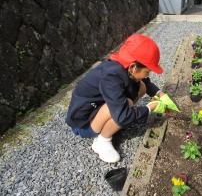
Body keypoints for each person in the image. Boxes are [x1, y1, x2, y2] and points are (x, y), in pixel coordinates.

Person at [66, 34, 178, 163]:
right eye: (147, 71)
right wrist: (150, 108)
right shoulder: (111, 77)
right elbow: (123, 115)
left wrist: (160, 94)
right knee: (124, 107)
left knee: (140, 86)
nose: (148, 74)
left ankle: (112, 124)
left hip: (96, 110)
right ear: (133, 67)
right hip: (83, 125)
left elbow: (145, 83)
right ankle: (102, 141)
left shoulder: (124, 65)